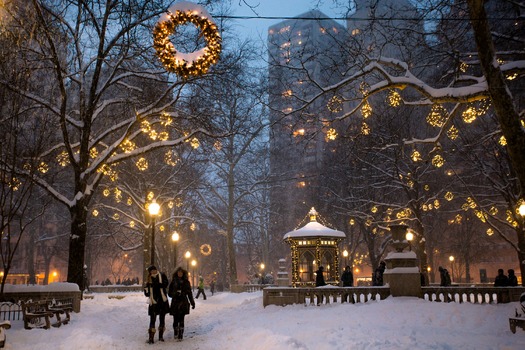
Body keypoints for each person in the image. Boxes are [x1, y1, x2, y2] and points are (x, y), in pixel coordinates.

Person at [168, 267, 195, 341]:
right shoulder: (173, 282)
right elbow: (169, 293)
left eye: (181, 272)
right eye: (179, 272)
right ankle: (176, 332)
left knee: (182, 319)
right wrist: (175, 293)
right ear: (176, 273)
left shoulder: (186, 282)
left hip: (183, 302)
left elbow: (189, 293)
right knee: (175, 319)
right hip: (175, 302)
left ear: (183, 274)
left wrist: (192, 302)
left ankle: (181, 334)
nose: (180, 274)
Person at [144, 265, 169, 344]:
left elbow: (165, 284)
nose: (153, 272)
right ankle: (151, 338)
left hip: (162, 301)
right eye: (151, 271)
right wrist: (146, 290)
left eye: (154, 270)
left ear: (156, 270)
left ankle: (161, 337)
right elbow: (147, 293)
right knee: (152, 319)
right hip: (153, 302)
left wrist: (156, 285)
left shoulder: (162, 275)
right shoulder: (149, 279)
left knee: (162, 318)